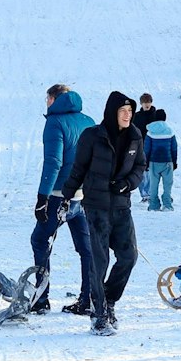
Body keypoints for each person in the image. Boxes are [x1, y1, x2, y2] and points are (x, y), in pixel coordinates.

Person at [59, 92, 146, 335]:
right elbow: (79, 168)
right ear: (112, 112)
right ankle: (98, 315)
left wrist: (128, 183)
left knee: (129, 256)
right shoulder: (92, 136)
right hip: (96, 207)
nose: (128, 115)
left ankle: (109, 300)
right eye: (123, 111)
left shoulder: (135, 136)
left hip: (121, 206)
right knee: (99, 261)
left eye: (130, 111)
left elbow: (140, 166)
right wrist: (65, 196)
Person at [33, 85, 94, 313]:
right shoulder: (88, 120)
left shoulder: (55, 122)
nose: (47, 103)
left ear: (54, 99)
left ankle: (41, 299)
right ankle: (88, 298)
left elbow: (54, 162)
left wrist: (43, 197)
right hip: (84, 196)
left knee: (40, 240)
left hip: (60, 195)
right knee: (87, 248)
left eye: (48, 98)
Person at [142, 117, 178, 211]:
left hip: (153, 162)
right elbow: (174, 148)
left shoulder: (150, 132)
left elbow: (146, 149)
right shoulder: (170, 131)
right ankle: (167, 204)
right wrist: (174, 162)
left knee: (153, 185)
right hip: (167, 161)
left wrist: (145, 163)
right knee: (167, 184)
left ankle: (154, 205)